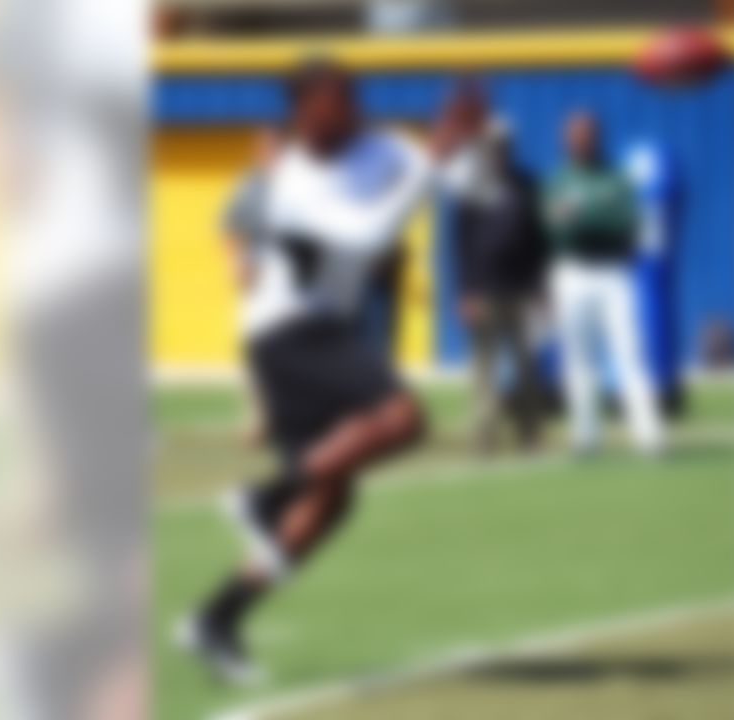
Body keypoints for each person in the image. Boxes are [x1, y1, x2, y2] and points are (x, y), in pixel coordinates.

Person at [180, 57, 466, 682]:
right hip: (286, 330)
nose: (354, 107)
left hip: (322, 324)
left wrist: (468, 146)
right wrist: (429, 170)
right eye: (338, 99)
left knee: (333, 500)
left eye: (354, 95)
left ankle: (217, 618)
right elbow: (364, 243)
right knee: (404, 419)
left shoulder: (386, 146)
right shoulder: (291, 185)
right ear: (305, 111)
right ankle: (263, 495)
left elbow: (457, 182)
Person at [544, 111, 666, 455]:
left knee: (630, 351)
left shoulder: (616, 178)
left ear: (597, 137)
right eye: (573, 134)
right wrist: (590, 218)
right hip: (571, 273)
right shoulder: (558, 180)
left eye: (586, 134)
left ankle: (648, 433)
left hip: (613, 273)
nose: (580, 140)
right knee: (578, 358)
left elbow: (630, 224)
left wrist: (586, 217)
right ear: (565, 140)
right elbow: (556, 228)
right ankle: (586, 435)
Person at [442, 87, 548, 453]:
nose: (499, 149)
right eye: (492, 144)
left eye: (504, 144)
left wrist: (542, 288)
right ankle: (484, 435)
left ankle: (529, 432)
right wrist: (464, 291)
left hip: (520, 290)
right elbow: (461, 245)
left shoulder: (528, 185)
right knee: (483, 368)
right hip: (484, 291)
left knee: (525, 366)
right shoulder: (472, 187)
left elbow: (540, 241)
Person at [222, 128, 282, 448]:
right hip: (258, 274)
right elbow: (229, 227)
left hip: (298, 277)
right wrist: (236, 263)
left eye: (274, 148)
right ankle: (260, 420)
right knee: (254, 348)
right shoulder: (249, 187)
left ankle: (292, 418)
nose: (269, 154)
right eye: (263, 149)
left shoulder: (303, 184)